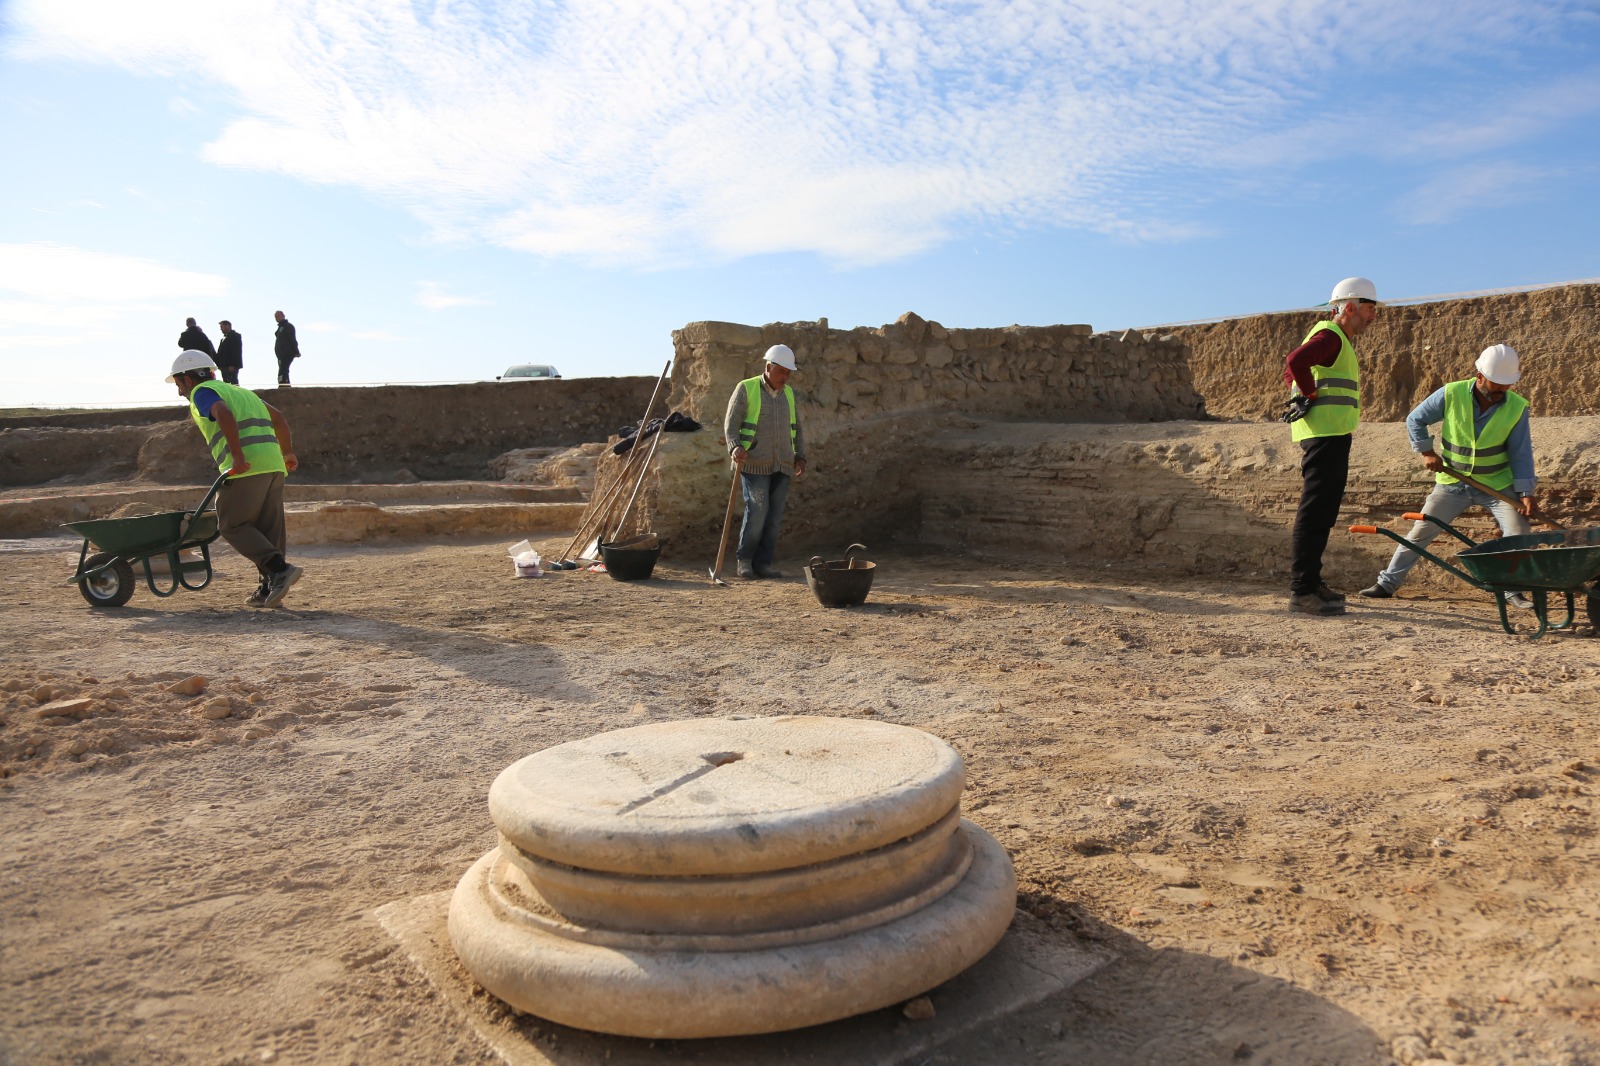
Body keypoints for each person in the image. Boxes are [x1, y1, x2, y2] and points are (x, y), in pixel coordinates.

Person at [1360, 344, 1536, 608]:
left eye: (1506, 384)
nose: (1501, 390)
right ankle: (1387, 584)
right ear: (1479, 375)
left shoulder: (1517, 407)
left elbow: (1521, 453)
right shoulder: (1452, 393)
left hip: (1497, 485)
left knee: (1519, 532)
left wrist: (1526, 493)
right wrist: (1427, 452)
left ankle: (1512, 590)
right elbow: (1415, 419)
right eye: (1496, 383)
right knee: (1420, 532)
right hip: (1453, 483)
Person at [166, 350, 304, 608]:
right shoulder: (242, 393)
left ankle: (278, 570)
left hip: (246, 468)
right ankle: (269, 587)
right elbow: (279, 418)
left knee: (232, 524)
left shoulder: (202, 392)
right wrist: (288, 451)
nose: (179, 392)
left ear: (187, 378)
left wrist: (237, 456)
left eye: (178, 384)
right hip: (273, 466)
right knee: (268, 528)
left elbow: (222, 413)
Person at [1283, 277, 1380, 616]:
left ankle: (1312, 583)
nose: (1373, 316)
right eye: (1369, 309)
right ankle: (1302, 591)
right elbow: (1296, 361)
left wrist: (1303, 387)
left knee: (1323, 512)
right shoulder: (1330, 336)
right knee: (1314, 513)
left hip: (1332, 434)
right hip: (1324, 435)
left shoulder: (1335, 339)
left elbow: (1294, 369)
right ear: (1349, 307)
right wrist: (1308, 392)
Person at [723, 344, 807, 579]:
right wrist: (735, 446)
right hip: (753, 463)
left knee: (773, 518)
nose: (785, 377)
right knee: (758, 511)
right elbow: (731, 425)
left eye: (788, 373)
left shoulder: (788, 394)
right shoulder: (746, 388)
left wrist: (800, 456)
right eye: (781, 371)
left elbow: (797, 428)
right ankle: (745, 561)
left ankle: (763, 564)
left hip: (783, 464)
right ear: (768, 367)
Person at [273, 310, 300, 386]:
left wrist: (296, 351)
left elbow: (292, 339)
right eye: (276, 317)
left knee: (283, 370)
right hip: (280, 354)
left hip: (287, 353)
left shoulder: (288, 326)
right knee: (283, 370)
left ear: (283, 316)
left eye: (278, 316)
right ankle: (284, 385)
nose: (277, 318)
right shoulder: (280, 328)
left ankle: (284, 385)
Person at [215, 320, 243, 385]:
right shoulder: (224, 338)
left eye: (222, 326)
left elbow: (236, 351)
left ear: (227, 326)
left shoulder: (235, 336)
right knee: (226, 382)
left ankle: (236, 394)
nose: (221, 329)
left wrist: (232, 364)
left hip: (230, 365)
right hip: (224, 365)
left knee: (233, 382)